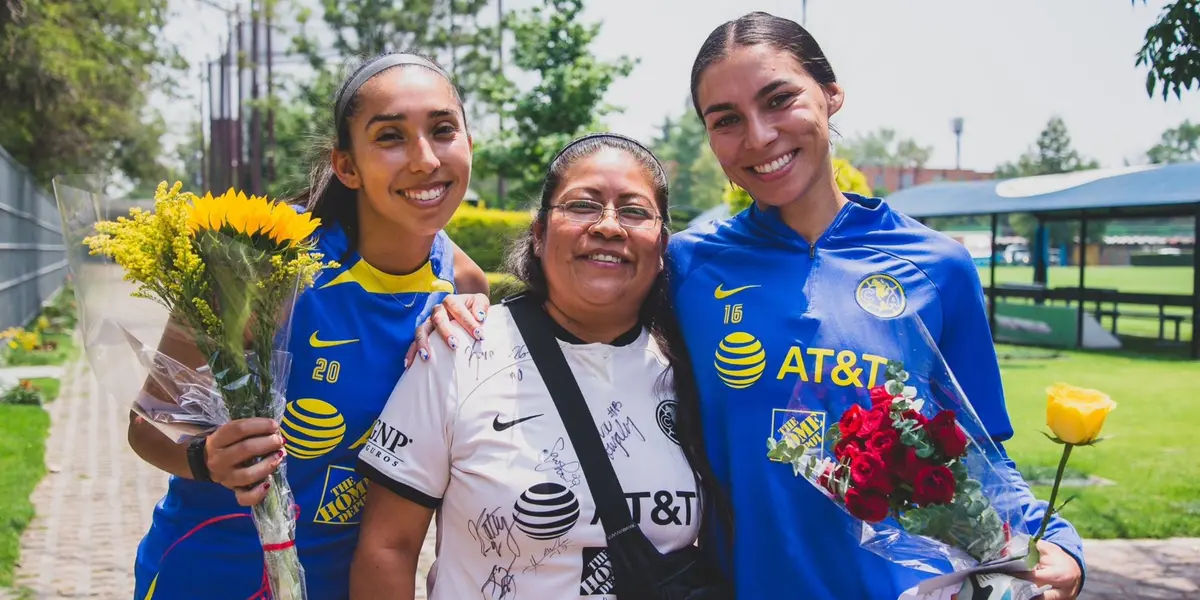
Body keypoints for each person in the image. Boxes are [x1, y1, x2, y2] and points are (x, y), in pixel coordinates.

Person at [413, 12, 1087, 600]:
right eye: (726, 120)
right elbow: (573, 298)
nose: (759, 136)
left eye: (779, 99)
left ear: (831, 93)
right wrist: (466, 311)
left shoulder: (937, 266)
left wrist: (1060, 548)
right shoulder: (688, 265)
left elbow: (982, 459)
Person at [128, 52, 488, 599]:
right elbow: (147, 424)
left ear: (467, 142)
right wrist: (206, 458)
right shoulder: (260, 262)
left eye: (443, 130)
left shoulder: (464, 286)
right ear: (346, 166)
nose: (424, 159)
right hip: (208, 570)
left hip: (345, 585)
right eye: (390, 137)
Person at [350, 133, 725, 599]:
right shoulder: (459, 350)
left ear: (662, 245)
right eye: (583, 205)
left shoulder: (692, 371)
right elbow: (388, 548)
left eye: (633, 211)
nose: (609, 227)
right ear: (540, 232)